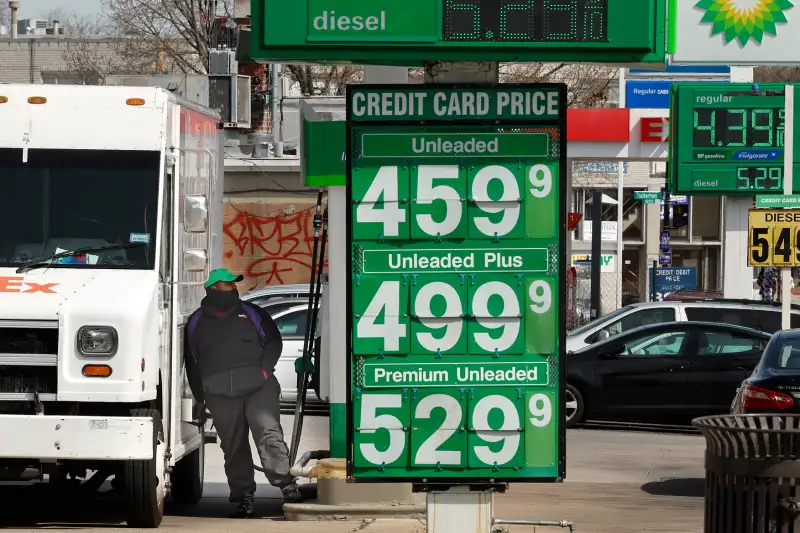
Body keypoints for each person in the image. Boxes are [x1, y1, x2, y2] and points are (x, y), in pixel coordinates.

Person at [183, 268, 303, 518]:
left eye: (234, 284)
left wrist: (264, 372)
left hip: (259, 387)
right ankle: (243, 497)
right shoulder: (195, 321)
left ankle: (287, 485)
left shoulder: (251, 312)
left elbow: (274, 341)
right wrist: (199, 398)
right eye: (229, 284)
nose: (234, 288)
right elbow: (191, 361)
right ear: (213, 288)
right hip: (219, 392)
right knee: (233, 446)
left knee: (268, 434)